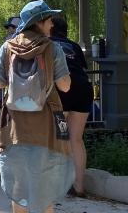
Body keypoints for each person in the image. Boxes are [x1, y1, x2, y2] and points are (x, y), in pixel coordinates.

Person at [0, 0, 73, 213]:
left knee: (19, 184)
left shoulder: (8, 47)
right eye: (49, 20)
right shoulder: (52, 48)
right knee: (46, 181)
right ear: (39, 22)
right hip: (47, 123)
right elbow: (64, 86)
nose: (52, 24)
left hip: (15, 124)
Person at [50, 16, 93, 198]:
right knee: (76, 139)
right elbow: (81, 68)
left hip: (62, 93)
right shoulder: (74, 46)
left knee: (58, 137)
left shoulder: (47, 44)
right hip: (83, 90)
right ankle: (79, 187)